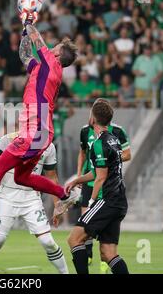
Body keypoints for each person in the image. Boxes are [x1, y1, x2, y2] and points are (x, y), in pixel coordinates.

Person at [0, 13, 78, 214]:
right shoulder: (43, 68)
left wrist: (28, 21)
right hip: (39, 132)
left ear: (59, 55)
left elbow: (37, 40)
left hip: (34, 132)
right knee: (21, 177)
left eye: (56, 48)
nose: (51, 48)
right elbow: (25, 55)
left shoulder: (53, 64)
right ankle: (65, 195)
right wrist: (24, 32)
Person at [0, 133, 69, 274]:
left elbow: (52, 177)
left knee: (48, 242)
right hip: (7, 197)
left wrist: (57, 205)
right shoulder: (8, 139)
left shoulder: (48, 145)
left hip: (31, 198)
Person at [66, 100, 129, 274]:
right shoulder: (113, 139)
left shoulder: (99, 143)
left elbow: (100, 178)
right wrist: (77, 180)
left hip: (108, 200)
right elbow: (97, 172)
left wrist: (92, 202)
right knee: (108, 253)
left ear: (93, 118)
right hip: (118, 201)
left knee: (74, 239)